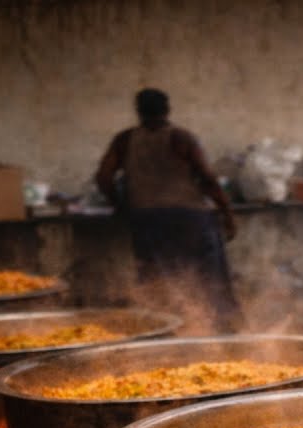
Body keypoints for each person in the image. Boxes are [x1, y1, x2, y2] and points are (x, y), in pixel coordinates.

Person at [95, 88, 242, 333]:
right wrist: (227, 214)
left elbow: (104, 177)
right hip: (191, 219)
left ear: (138, 111)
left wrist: (120, 205)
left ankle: (164, 331)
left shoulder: (125, 140)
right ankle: (219, 331)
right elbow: (208, 179)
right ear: (167, 109)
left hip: (148, 220)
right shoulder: (181, 138)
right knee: (209, 280)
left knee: (157, 280)